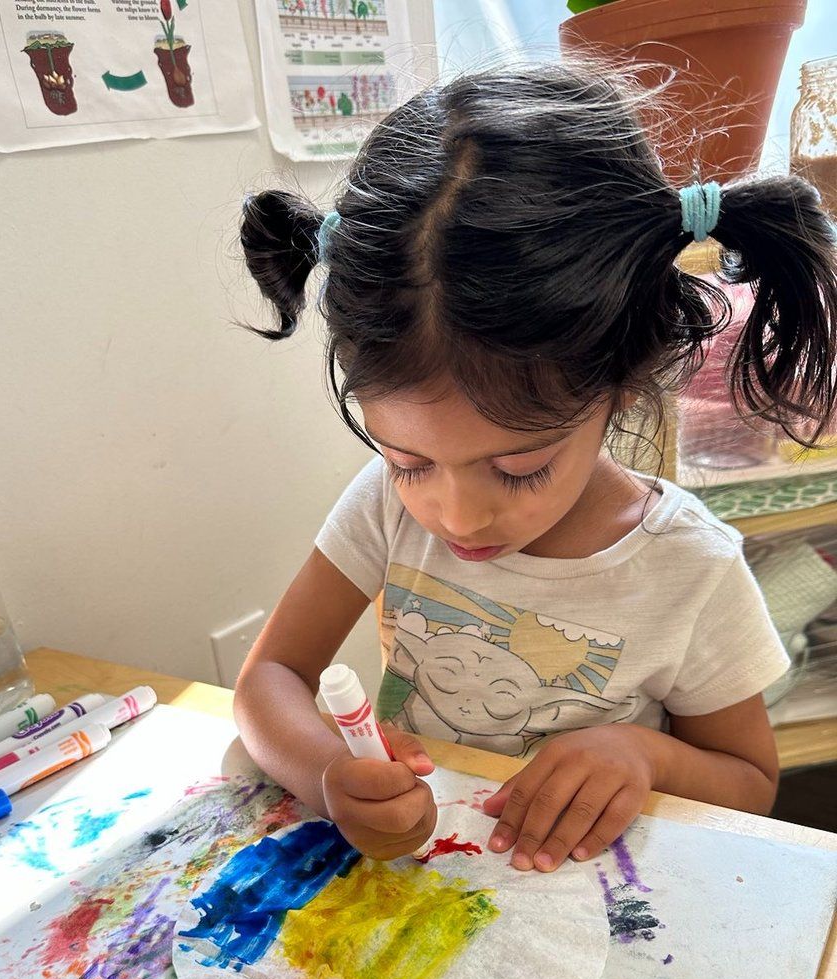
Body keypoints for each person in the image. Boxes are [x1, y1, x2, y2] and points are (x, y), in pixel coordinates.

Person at [235, 64, 837, 871]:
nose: (456, 515)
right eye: (409, 458)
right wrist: (329, 771)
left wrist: (641, 754)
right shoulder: (384, 505)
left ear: (622, 384)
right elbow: (270, 675)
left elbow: (751, 784)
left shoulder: (689, 568)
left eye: (518, 470)